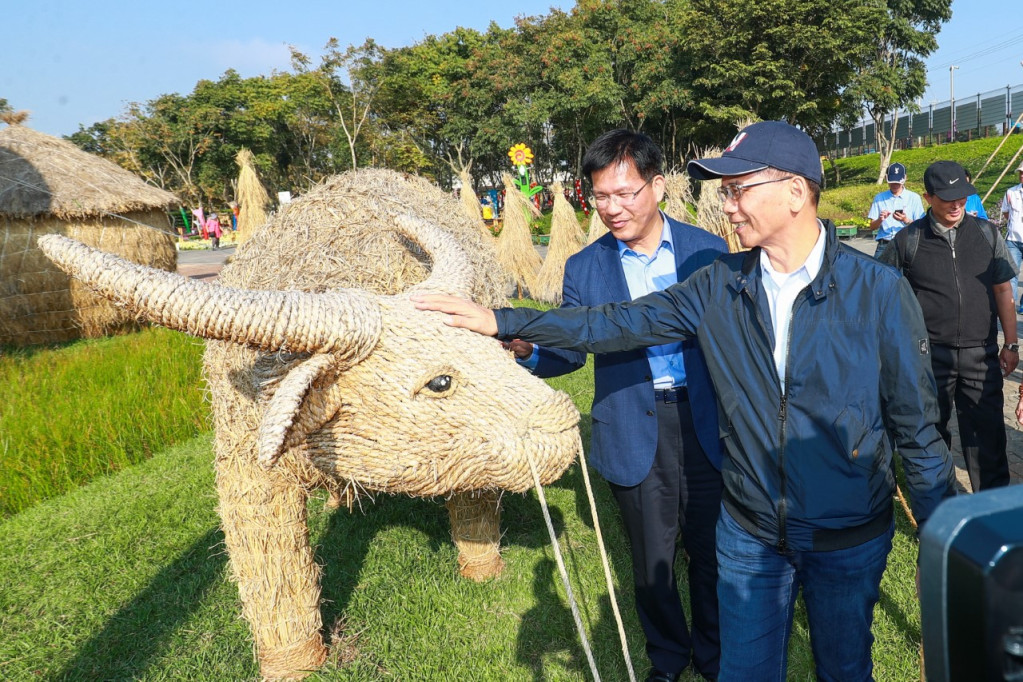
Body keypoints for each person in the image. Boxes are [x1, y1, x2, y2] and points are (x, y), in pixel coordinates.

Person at [414, 120, 957, 682]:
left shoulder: (878, 291)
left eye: (737, 189)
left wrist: (943, 537)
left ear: (796, 192)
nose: (728, 206)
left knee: (844, 669)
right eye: (724, 192)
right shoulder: (715, 285)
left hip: (847, 536)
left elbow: (916, 429)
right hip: (750, 534)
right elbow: (613, 323)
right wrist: (501, 320)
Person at [508, 129, 725, 682]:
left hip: (706, 421)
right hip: (633, 422)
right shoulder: (585, 267)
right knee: (653, 561)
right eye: (601, 196)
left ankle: (716, 652)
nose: (612, 208)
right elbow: (570, 352)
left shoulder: (709, 252)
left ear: (656, 187)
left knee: (711, 550)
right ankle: (669, 657)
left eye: (625, 193)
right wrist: (533, 352)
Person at [880, 161, 1016, 492]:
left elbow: (1002, 290)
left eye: (962, 197)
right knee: (930, 434)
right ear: (928, 197)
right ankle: (938, 506)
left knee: (987, 437)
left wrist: (1011, 344)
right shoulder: (907, 241)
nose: (957, 205)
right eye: (947, 198)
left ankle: (993, 511)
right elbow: (882, 293)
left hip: (980, 355)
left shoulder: (987, 234)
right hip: (928, 357)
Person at [867, 162, 925, 257]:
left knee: (908, 272)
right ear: (886, 178)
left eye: (898, 182)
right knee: (878, 271)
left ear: (905, 178)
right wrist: (880, 219)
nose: (895, 184)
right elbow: (872, 227)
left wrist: (906, 220)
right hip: (884, 244)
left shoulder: (914, 198)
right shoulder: (879, 198)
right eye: (892, 181)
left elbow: (921, 225)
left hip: (907, 244)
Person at [999, 161, 1023, 311]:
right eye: (1020, 173)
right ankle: (1010, 306)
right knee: (1011, 275)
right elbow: (1006, 213)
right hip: (1013, 240)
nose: (1022, 175)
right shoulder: (1011, 192)